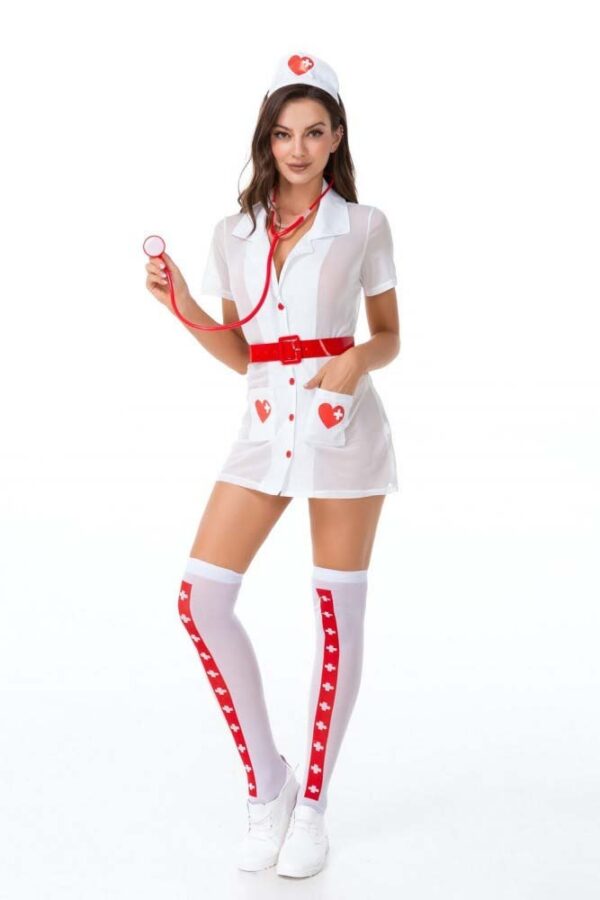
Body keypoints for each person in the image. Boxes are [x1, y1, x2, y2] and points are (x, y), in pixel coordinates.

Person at [145, 51, 401, 879]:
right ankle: (270, 785)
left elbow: (390, 335)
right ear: (267, 139)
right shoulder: (235, 234)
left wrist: (354, 362)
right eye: (284, 134)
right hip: (264, 433)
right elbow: (244, 353)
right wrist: (183, 304)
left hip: (343, 433)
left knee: (336, 618)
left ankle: (314, 807)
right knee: (201, 600)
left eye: (314, 133)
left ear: (336, 139)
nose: (297, 148)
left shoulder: (364, 226)